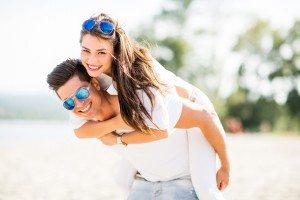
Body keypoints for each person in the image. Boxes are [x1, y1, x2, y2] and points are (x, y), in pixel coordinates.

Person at [47, 59, 228, 199]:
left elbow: (205, 116)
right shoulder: (80, 115)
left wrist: (226, 166)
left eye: (81, 93)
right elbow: (79, 133)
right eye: (69, 102)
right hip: (153, 171)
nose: (78, 103)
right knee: (121, 179)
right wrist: (115, 125)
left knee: (207, 192)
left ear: (95, 84)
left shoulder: (141, 102)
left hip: (191, 108)